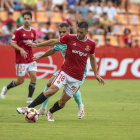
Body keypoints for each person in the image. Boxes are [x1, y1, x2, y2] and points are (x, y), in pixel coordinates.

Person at [17, 21, 105, 121]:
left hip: (77, 77)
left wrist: (96, 74)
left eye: (81, 33)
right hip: (65, 72)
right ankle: (28, 108)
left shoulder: (91, 44)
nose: (79, 35)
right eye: (78, 32)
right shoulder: (70, 38)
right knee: (51, 90)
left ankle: (50, 111)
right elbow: (54, 42)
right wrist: (38, 45)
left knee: (62, 102)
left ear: (87, 32)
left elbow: (92, 58)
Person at [34, 23, 85, 119]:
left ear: (69, 32)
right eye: (60, 32)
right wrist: (40, 56)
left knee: (71, 90)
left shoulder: (76, 40)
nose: (61, 34)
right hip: (65, 68)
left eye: (64, 32)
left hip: (79, 71)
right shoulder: (61, 42)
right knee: (49, 83)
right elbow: (53, 50)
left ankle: (80, 106)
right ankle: (43, 108)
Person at [0, 11, 37, 104]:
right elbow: (12, 43)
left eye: (28, 19)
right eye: (25, 19)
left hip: (30, 58)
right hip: (21, 60)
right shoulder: (18, 31)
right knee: (20, 81)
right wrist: (21, 49)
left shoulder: (33, 31)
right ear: (23, 20)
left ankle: (29, 98)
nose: (27, 20)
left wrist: (35, 44)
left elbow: (35, 43)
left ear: (31, 20)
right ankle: (6, 88)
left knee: (34, 77)